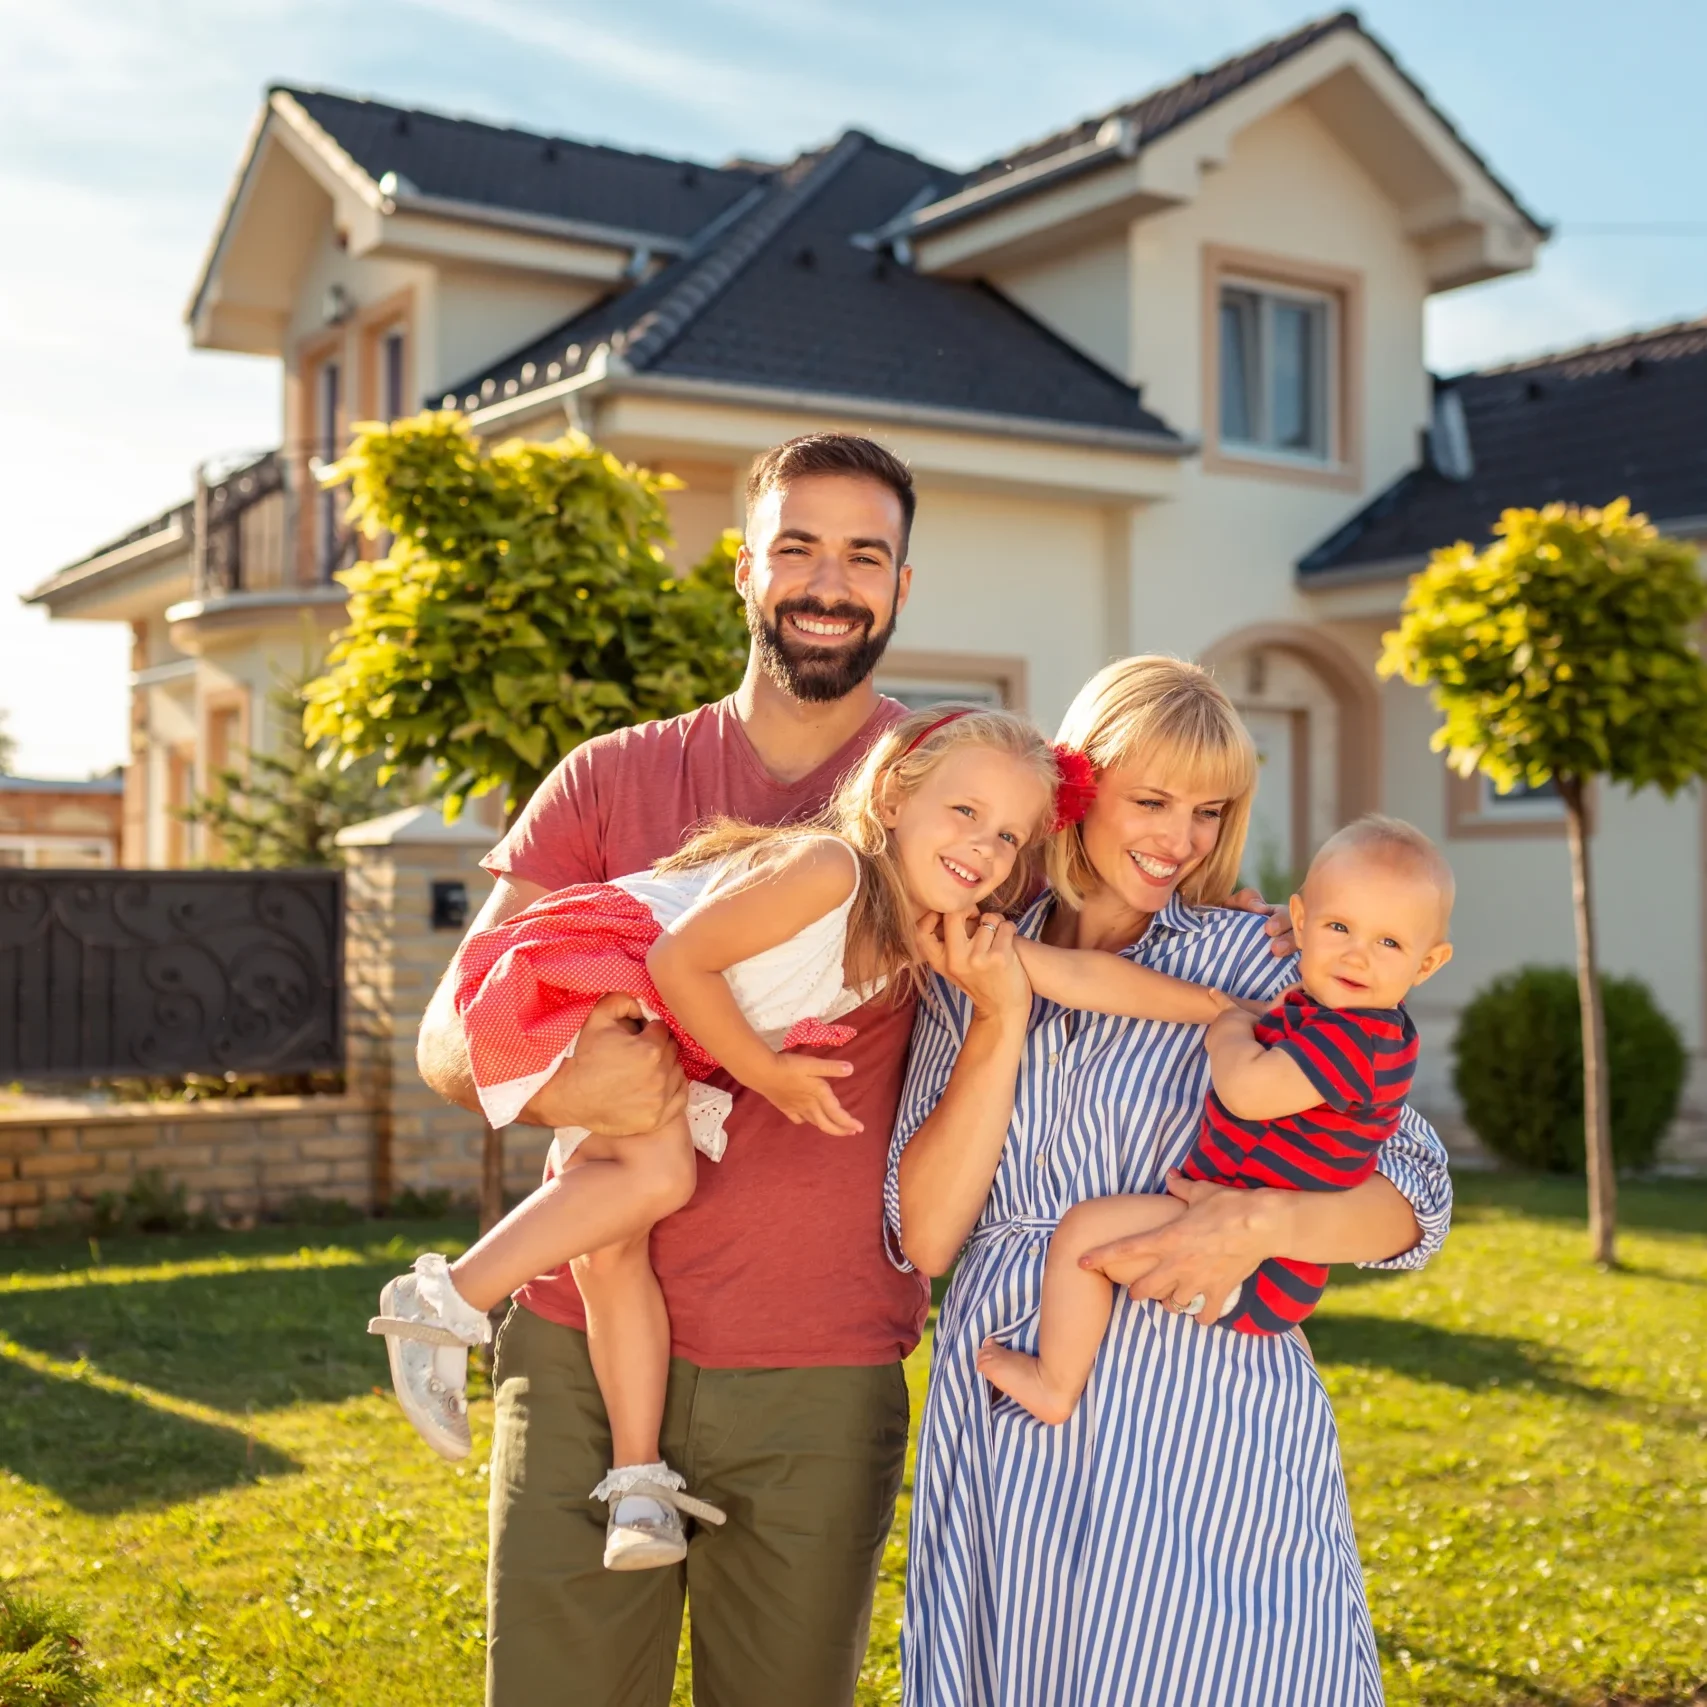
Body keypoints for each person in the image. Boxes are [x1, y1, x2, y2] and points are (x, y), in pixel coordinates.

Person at [378, 706, 1241, 1567]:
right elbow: (679, 960)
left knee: (613, 1243)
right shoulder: (827, 868)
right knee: (653, 1184)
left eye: (1010, 838)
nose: (984, 848)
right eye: (965, 813)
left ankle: (637, 1484)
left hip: (662, 1023)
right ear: (896, 795)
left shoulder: (924, 930)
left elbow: (1076, 976)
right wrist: (766, 1072)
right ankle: (446, 1301)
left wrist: (1221, 1005)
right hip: (601, 979)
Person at [890, 655, 1454, 1707]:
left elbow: (1417, 1198)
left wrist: (1264, 1219)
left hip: (1199, 1409)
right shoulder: (970, 961)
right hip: (1012, 1388)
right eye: (1151, 800)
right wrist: (1001, 1018)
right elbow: (925, 1239)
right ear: (1078, 789)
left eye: (1210, 809)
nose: (1181, 837)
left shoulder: (1265, 958)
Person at [977, 813, 1455, 1424]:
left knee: (1084, 1235)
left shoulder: (1364, 1035)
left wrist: (1229, 1029)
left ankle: (1055, 1383)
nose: (1358, 956)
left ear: (1428, 963)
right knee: (1092, 1239)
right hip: (1238, 1234)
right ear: (1302, 921)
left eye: (1389, 943)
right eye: (1340, 927)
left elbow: (1250, 1093)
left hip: (1261, 1265)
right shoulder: (1324, 1011)